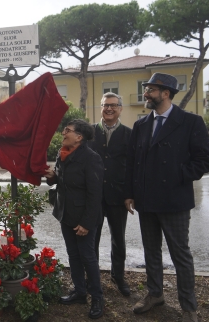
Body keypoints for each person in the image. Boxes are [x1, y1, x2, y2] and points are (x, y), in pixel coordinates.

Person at [124, 73, 209, 322]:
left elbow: (207, 159)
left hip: (175, 201)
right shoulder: (141, 125)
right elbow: (132, 162)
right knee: (151, 252)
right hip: (146, 201)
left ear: (166, 93)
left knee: (180, 255)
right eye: (146, 89)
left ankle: (188, 307)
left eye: (151, 90)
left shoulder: (190, 122)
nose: (146, 93)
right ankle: (155, 294)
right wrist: (130, 193)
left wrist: (179, 174)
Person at [45, 119, 104, 320]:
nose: (63, 133)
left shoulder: (91, 158)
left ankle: (97, 298)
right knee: (73, 255)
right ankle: (79, 292)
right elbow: (59, 181)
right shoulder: (63, 153)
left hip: (83, 218)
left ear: (79, 137)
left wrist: (87, 223)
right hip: (66, 214)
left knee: (88, 258)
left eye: (68, 131)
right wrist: (51, 176)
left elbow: (95, 194)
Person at [88, 92, 131, 296]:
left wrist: (130, 194)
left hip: (118, 196)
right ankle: (92, 278)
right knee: (92, 238)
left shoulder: (130, 134)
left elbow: (133, 167)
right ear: (101, 107)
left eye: (114, 105)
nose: (109, 109)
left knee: (118, 239)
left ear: (120, 108)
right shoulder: (90, 133)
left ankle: (118, 276)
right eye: (105, 105)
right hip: (94, 196)